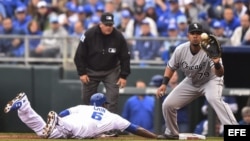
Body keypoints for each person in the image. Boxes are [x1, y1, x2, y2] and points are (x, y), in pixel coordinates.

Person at [155, 22, 238, 140]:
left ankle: (235, 131)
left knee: (214, 99)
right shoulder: (180, 49)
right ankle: (172, 133)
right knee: (168, 104)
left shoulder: (209, 49)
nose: (195, 36)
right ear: (188, 35)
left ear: (202, 35)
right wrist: (164, 84)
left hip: (211, 80)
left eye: (198, 33)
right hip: (192, 81)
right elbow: (170, 67)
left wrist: (217, 63)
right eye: (192, 33)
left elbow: (219, 73)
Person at [4, 92, 157, 139]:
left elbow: (65, 112)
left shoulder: (83, 107)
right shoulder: (112, 117)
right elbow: (135, 128)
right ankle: (56, 121)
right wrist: (154, 137)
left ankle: (24, 106)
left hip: (70, 120)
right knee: (78, 131)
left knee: (43, 132)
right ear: (104, 104)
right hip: (81, 128)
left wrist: (61, 118)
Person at [74, 12, 131, 114]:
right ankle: (90, 126)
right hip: (91, 70)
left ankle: (109, 127)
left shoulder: (119, 37)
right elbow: (79, 55)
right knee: (87, 99)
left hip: (111, 71)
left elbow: (125, 57)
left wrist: (123, 76)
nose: (108, 27)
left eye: (110, 25)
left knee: (112, 99)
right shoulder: (89, 34)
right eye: (106, 25)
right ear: (100, 24)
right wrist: (82, 72)